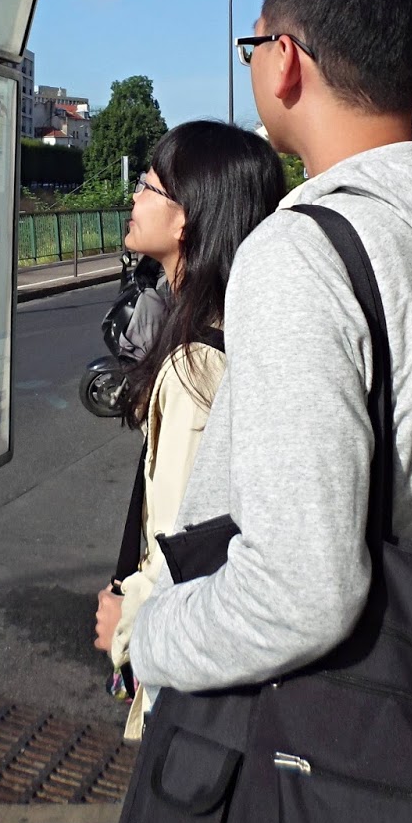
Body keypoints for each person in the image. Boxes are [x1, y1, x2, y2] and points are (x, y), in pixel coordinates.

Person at [129, 0, 412, 823]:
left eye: (253, 45)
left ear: (284, 60)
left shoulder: (303, 254)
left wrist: (147, 631)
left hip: (346, 789)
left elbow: (301, 590)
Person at [93, 120, 286, 739]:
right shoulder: (242, 328)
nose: (134, 195)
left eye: (148, 185)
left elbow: (183, 541)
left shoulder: (193, 367)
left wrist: (128, 622)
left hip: (181, 670)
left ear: (185, 220)